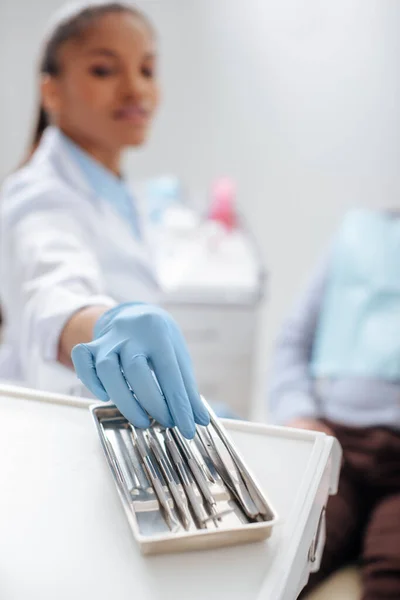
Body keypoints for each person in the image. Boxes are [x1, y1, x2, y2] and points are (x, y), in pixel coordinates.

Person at [0, 1, 210, 439]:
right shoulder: (39, 194)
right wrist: (103, 325)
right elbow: (53, 287)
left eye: (147, 70)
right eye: (103, 70)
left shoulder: (118, 188)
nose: (136, 89)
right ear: (52, 92)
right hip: (57, 436)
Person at [268, 208, 400, 599]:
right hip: (336, 446)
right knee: (285, 553)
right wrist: (298, 413)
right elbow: (292, 341)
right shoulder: (359, 236)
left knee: (392, 572)